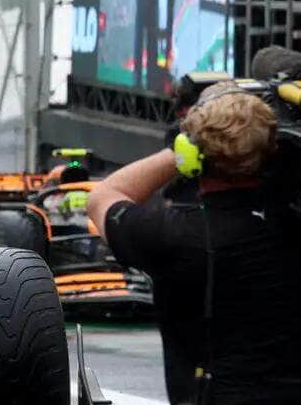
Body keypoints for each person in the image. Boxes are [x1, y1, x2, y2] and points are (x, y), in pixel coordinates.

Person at [87, 83, 301, 404]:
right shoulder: (290, 223)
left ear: (192, 157)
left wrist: (177, 151)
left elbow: (103, 197)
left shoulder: (169, 234)